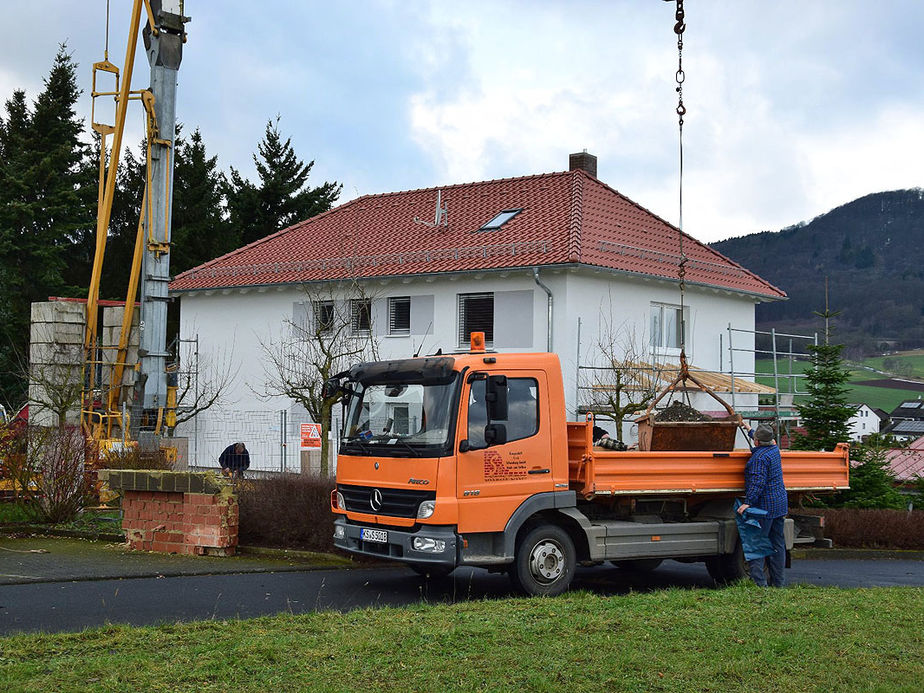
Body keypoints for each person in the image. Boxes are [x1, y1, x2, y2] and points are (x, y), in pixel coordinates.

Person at [736, 420, 787, 587]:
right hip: (779, 505)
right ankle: (778, 584)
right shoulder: (774, 450)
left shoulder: (759, 458)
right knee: (777, 545)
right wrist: (749, 429)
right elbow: (765, 440)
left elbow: (757, 483)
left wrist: (747, 503)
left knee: (757, 544)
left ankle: (759, 585)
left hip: (763, 507)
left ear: (757, 442)